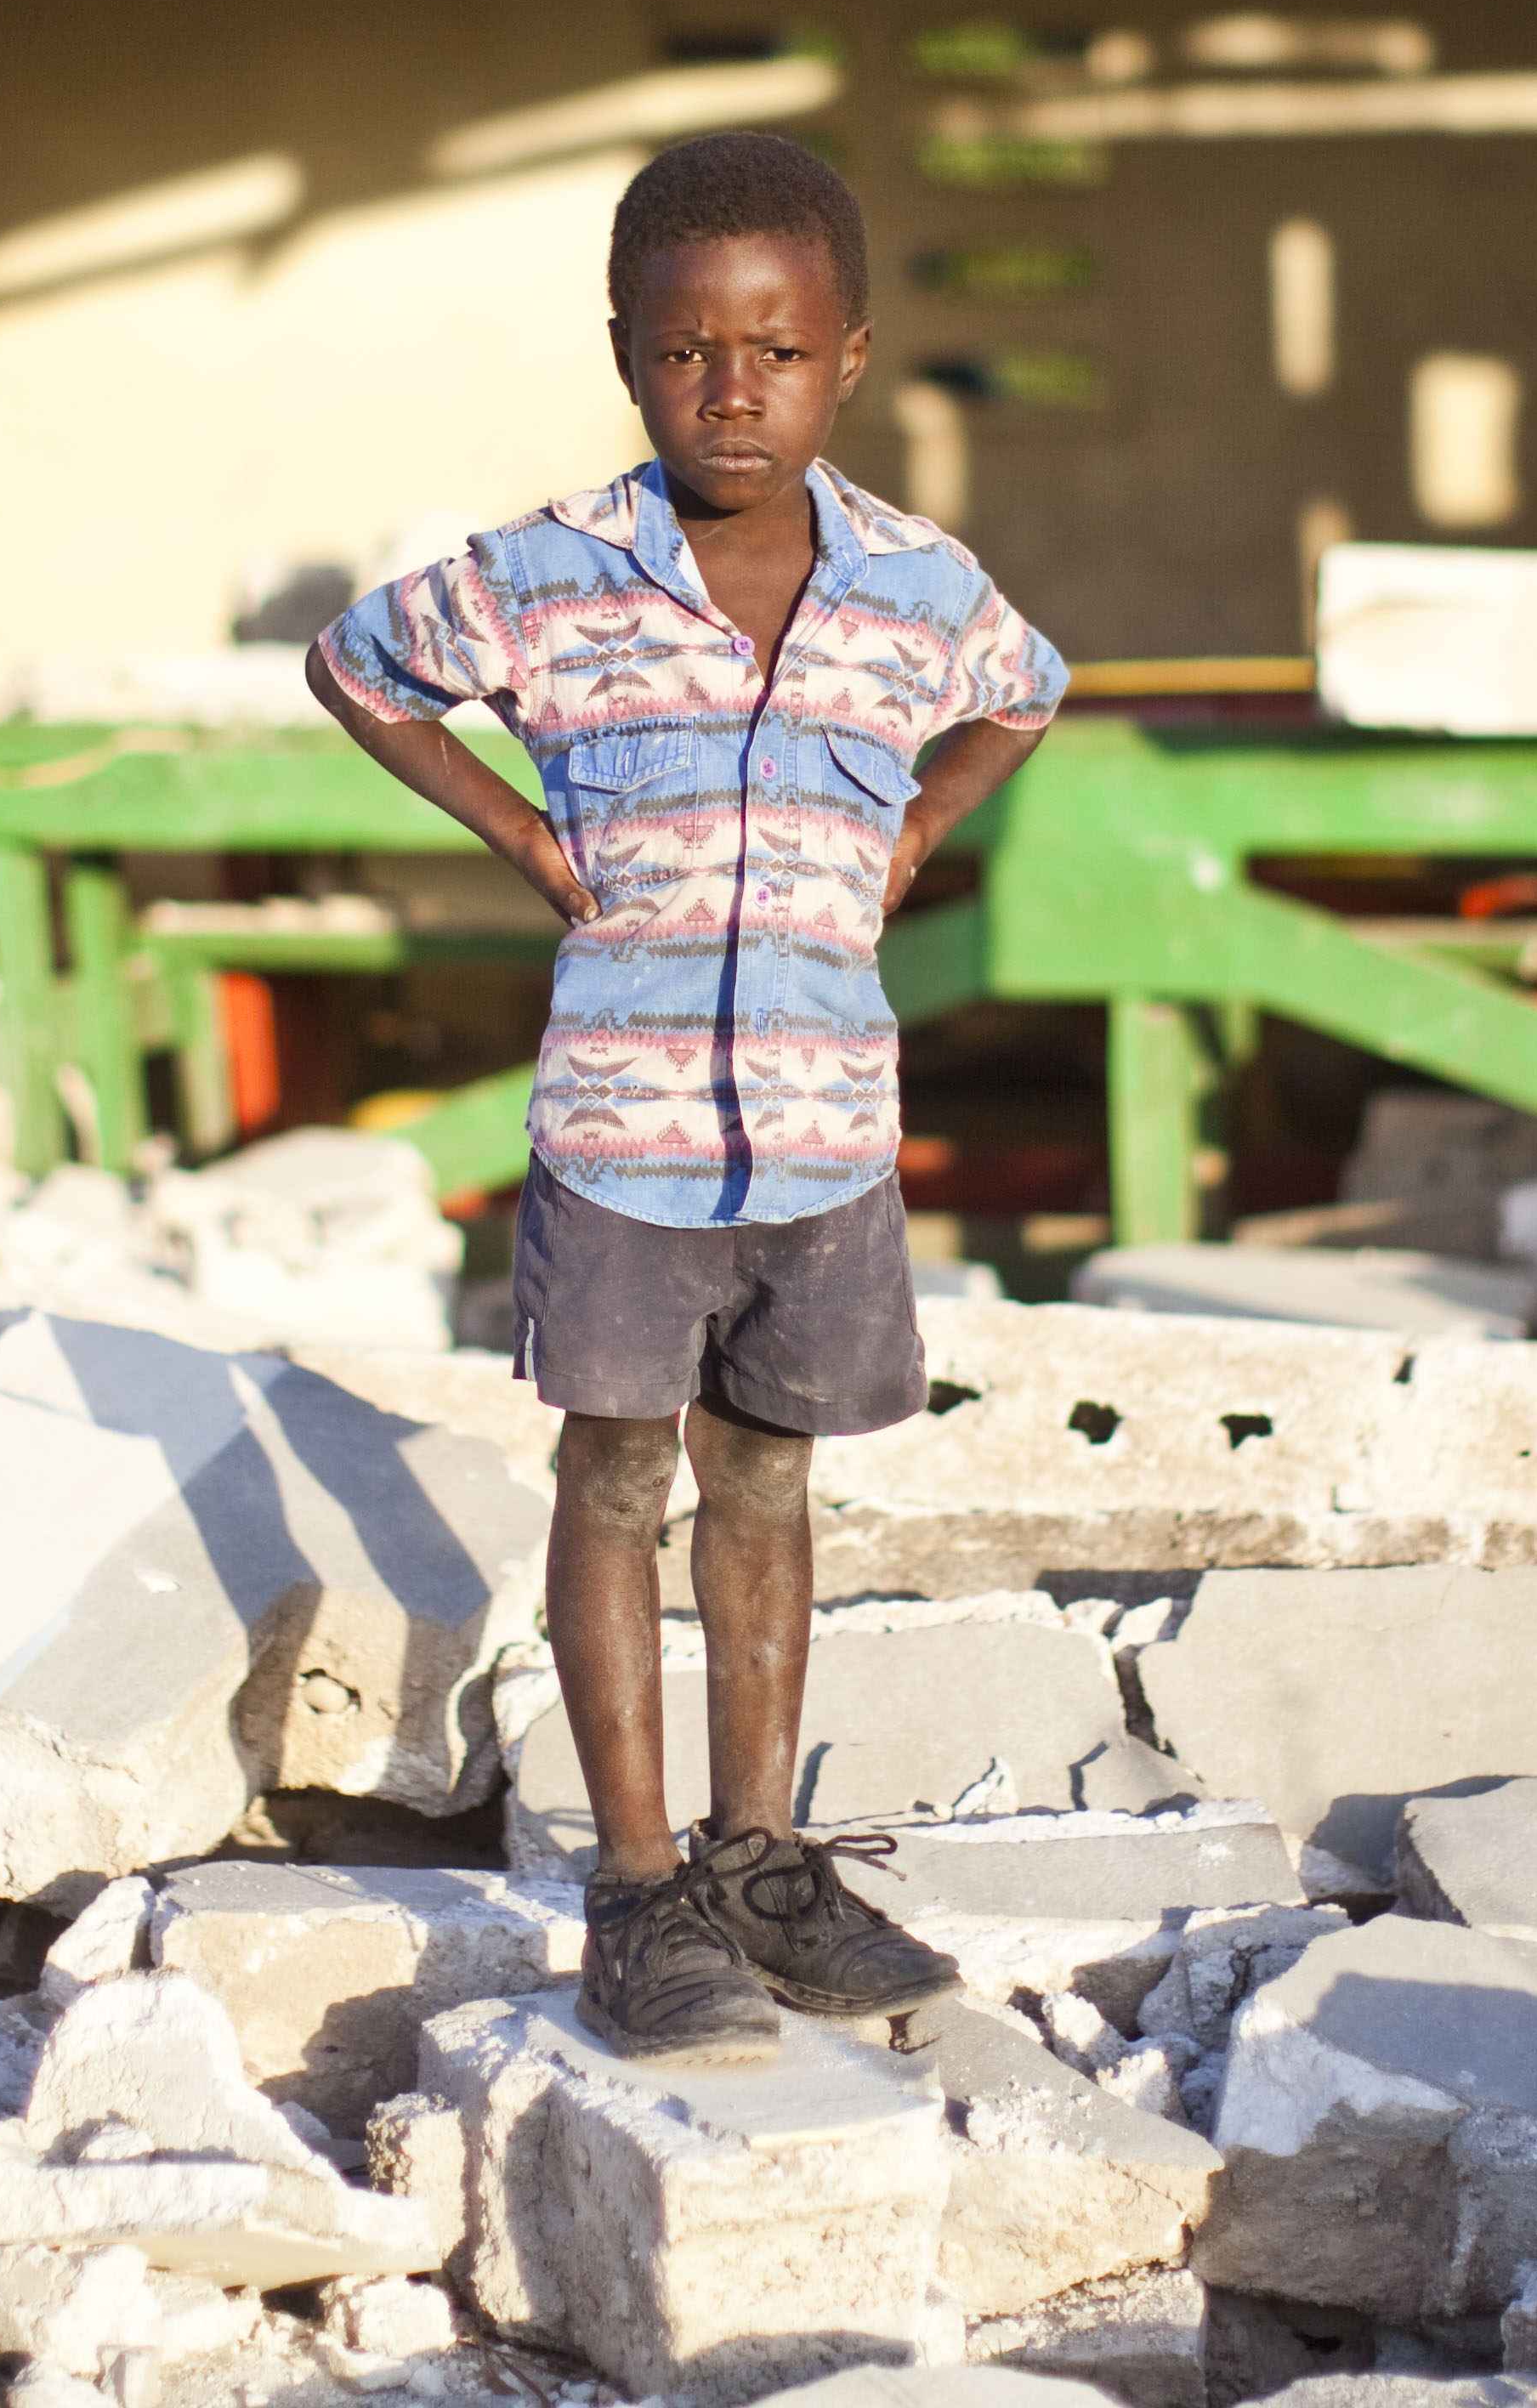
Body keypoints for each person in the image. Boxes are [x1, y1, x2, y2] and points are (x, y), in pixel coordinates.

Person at [307, 133, 1065, 2058]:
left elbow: (1027, 687)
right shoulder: (552, 575)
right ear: (631, 355)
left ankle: (762, 1863)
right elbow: (357, 662)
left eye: (779, 352)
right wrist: (508, 827)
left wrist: (915, 829)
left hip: (821, 1131)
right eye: (689, 353)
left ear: (850, 358)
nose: (736, 390)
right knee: (620, 1475)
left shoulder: (915, 584)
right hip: (626, 1135)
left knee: (768, 1482)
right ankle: (638, 1893)